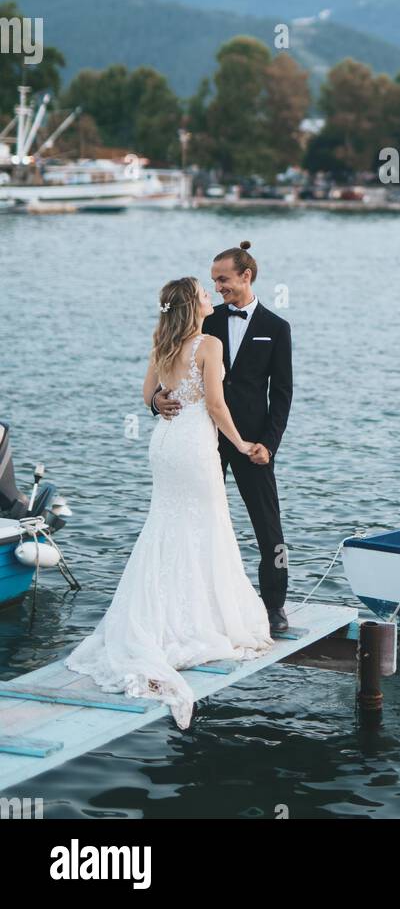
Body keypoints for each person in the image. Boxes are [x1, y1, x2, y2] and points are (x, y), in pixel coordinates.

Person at [65, 277, 273, 729]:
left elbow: (147, 397)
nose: (208, 296)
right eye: (202, 292)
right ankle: (198, 618)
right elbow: (216, 407)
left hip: (164, 446)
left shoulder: (162, 342)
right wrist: (240, 444)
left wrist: (161, 399)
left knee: (166, 526)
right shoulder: (210, 344)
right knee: (207, 525)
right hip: (196, 446)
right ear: (193, 305)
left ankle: (162, 616)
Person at [151, 242, 293, 635]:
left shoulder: (276, 328)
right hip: (200, 440)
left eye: (223, 280)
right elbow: (170, 365)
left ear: (246, 276)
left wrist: (269, 442)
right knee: (196, 521)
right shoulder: (205, 321)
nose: (217, 289)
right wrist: (155, 399)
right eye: (213, 281)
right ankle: (192, 606)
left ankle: (275, 607)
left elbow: (282, 393)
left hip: (252, 441)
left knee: (269, 529)